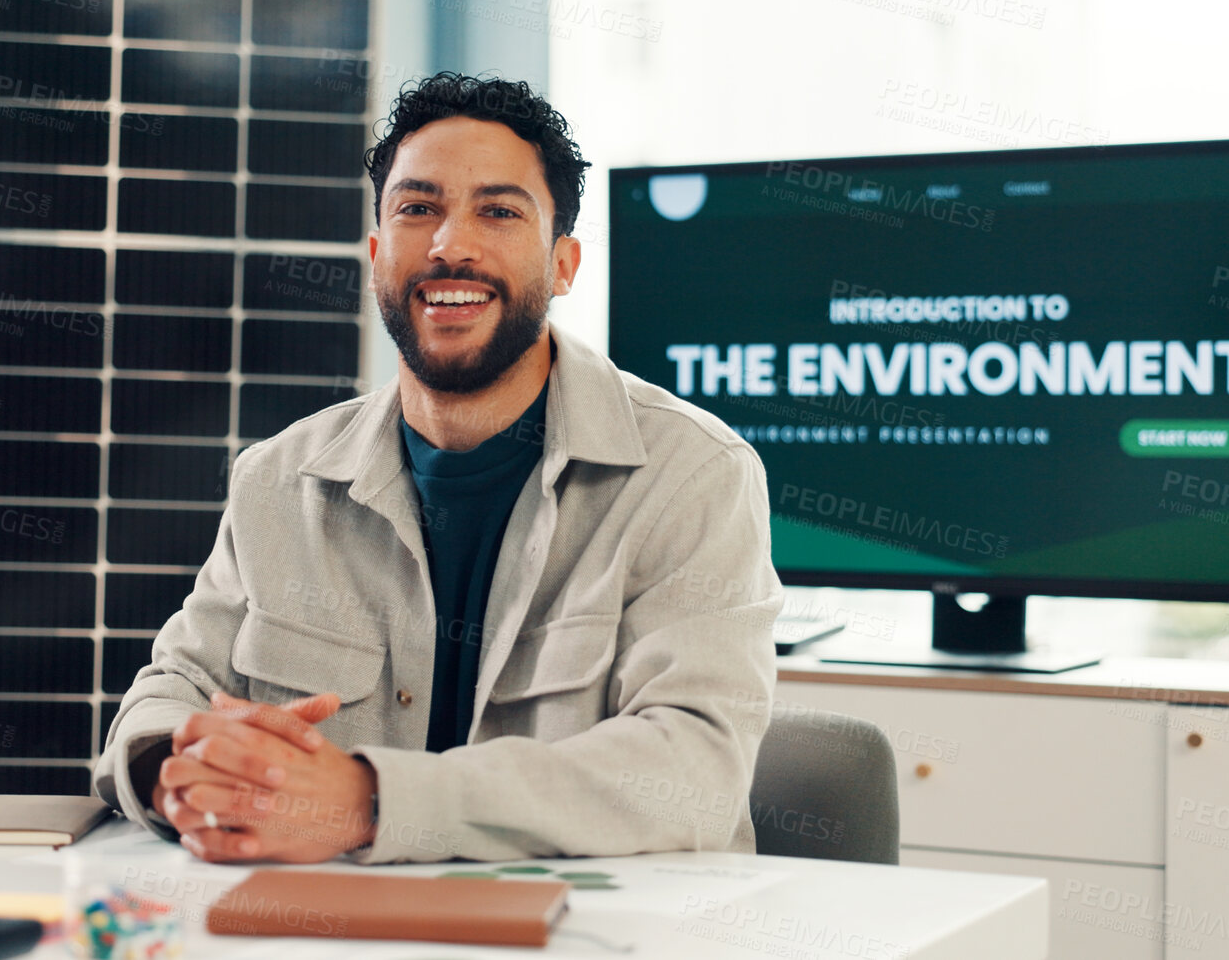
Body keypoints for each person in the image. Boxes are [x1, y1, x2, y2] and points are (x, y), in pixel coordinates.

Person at [93, 72, 782, 864]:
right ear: (379, 253)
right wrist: (174, 774)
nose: (451, 244)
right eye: (418, 209)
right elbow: (170, 692)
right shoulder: (277, 480)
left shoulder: (694, 474)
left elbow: (693, 771)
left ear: (562, 264)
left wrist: (370, 800)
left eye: (498, 211)